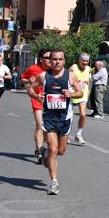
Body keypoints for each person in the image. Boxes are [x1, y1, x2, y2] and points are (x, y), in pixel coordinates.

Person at [27, 49, 83, 195]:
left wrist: (72, 94)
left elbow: (80, 92)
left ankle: (44, 153)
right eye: (54, 59)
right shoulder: (43, 76)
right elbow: (31, 90)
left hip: (65, 118)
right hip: (49, 117)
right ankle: (54, 182)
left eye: (60, 59)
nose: (57, 62)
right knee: (53, 148)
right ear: (50, 61)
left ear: (64, 61)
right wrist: (36, 96)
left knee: (60, 151)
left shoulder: (70, 76)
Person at [21, 49, 52, 164]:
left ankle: (42, 144)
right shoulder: (33, 68)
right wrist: (29, 80)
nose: (49, 60)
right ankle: (39, 150)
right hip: (37, 99)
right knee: (40, 124)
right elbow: (23, 78)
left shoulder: (54, 70)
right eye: (47, 57)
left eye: (51, 57)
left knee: (48, 127)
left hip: (51, 101)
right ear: (41, 59)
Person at [69, 53, 91, 144]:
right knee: (69, 116)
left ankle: (78, 134)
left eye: (87, 61)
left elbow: (88, 79)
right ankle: (66, 134)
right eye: (83, 61)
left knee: (83, 114)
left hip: (83, 94)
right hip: (72, 93)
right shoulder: (73, 68)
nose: (85, 63)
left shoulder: (89, 69)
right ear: (79, 60)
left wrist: (88, 88)